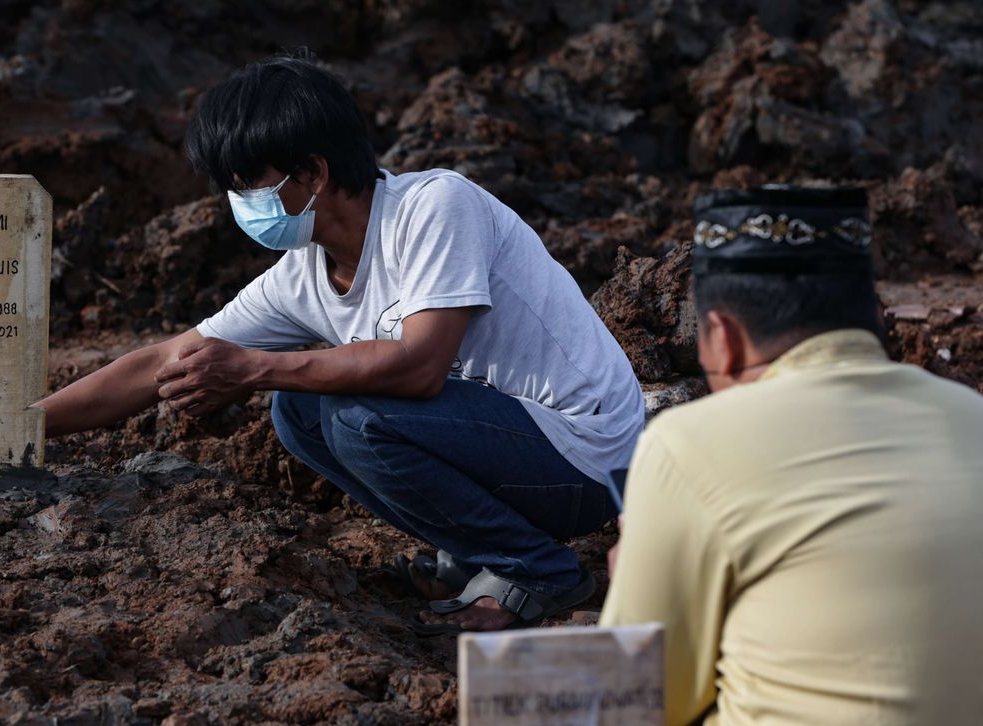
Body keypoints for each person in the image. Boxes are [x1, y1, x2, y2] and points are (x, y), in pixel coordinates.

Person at [34, 54, 645, 633]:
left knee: (358, 416)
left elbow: (418, 367)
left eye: (250, 183)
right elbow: (160, 362)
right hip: (511, 450)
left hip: (592, 459)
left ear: (314, 173)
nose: (239, 204)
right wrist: (16, 428)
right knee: (298, 412)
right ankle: (479, 550)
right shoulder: (305, 273)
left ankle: (534, 571)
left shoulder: (434, 207)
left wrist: (253, 367)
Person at [600, 186, 983, 726]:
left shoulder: (689, 443)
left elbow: (637, 698)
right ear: (877, 317)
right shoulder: (974, 417)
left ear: (720, 336)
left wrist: (636, 571)